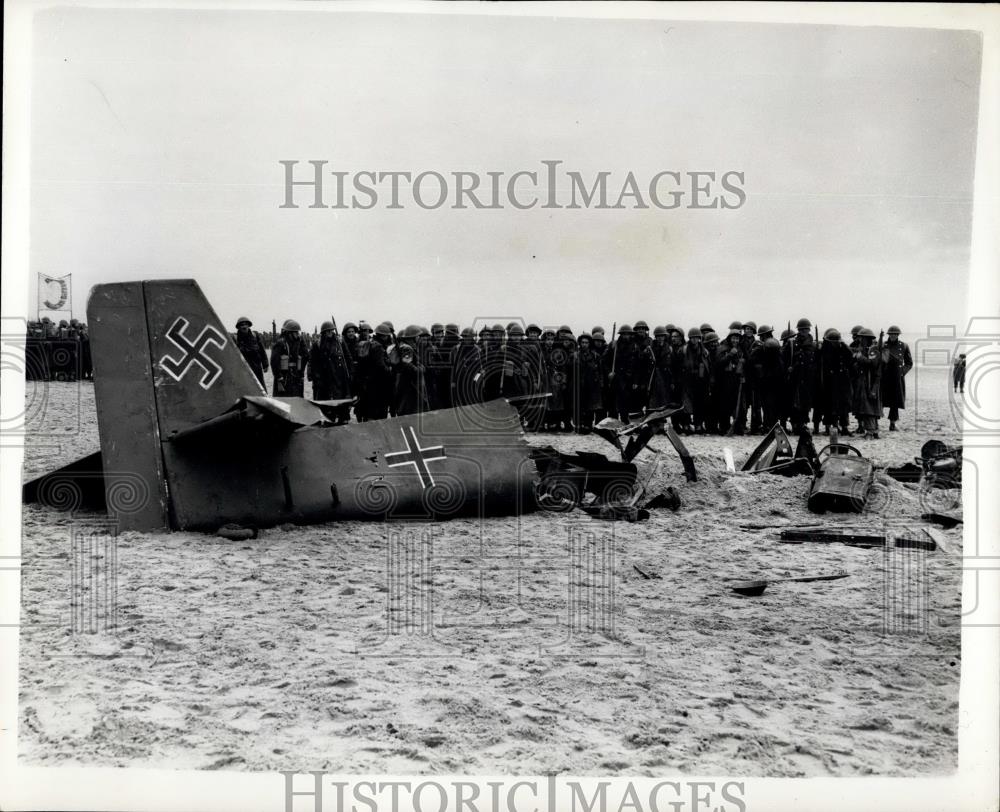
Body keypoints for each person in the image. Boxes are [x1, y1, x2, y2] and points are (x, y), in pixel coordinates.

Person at [308, 321, 354, 422]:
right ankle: (329, 419)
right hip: (325, 378)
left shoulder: (340, 342)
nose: (329, 332)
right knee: (327, 402)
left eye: (331, 330)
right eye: (327, 331)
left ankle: (343, 419)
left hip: (340, 377)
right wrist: (314, 375)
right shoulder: (318, 344)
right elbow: (312, 360)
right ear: (323, 332)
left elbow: (348, 357)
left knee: (342, 400)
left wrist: (350, 372)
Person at [782, 317, 818, 433]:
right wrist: (788, 368)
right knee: (793, 403)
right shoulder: (792, 343)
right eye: (801, 329)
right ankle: (795, 424)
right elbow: (784, 359)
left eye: (806, 329)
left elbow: (817, 361)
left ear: (809, 330)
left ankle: (803, 423)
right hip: (794, 378)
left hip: (808, 378)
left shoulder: (813, 345)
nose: (803, 331)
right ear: (798, 330)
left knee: (805, 403)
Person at [816, 328, 854, 435]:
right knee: (830, 405)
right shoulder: (825, 350)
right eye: (833, 342)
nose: (835, 344)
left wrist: (843, 345)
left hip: (843, 381)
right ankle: (832, 427)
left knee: (844, 406)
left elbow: (850, 356)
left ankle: (845, 427)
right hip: (830, 382)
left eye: (836, 341)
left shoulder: (843, 348)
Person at [879, 325, 913, 431]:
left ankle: (892, 423)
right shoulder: (883, 345)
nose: (893, 336)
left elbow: (909, 362)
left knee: (895, 401)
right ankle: (874, 423)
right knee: (880, 399)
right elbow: (878, 358)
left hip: (897, 377)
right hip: (884, 376)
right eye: (891, 334)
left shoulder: (904, 346)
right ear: (888, 335)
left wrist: (902, 372)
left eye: (895, 334)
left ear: (898, 335)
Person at [852, 327, 882, 439]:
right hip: (864, 382)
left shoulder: (873, 350)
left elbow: (872, 364)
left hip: (871, 383)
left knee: (870, 408)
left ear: (867, 339)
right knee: (867, 407)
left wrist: (860, 358)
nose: (860, 340)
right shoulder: (864, 350)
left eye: (862, 338)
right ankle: (873, 430)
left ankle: (870, 431)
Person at [679, 328, 712, 433]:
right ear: (689, 338)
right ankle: (686, 424)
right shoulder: (684, 350)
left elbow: (709, 366)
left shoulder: (704, 351)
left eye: (696, 338)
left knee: (699, 404)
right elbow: (678, 366)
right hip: (687, 381)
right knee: (686, 404)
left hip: (700, 381)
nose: (694, 340)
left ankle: (698, 424)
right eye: (692, 338)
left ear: (699, 338)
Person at [572, 332, 604, 433]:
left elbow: (600, 370)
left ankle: (588, 425)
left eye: (586, 342)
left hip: (592, 385)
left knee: (590, 407)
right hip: (578, 384)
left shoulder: (595, 356)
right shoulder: (575, 355)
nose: (584, 344)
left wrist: (601, 382)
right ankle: (579, 424)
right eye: (582, 342)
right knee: (579, 405)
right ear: (580, 343)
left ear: (589, 343)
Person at [393, 325, 429, 416]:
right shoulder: (407, 348)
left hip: (410, 386)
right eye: (417, 336)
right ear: (413, 337)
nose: (418, 338)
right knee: (411, 411)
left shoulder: (408, 347)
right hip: (411, 387)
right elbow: (408, 365)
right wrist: (420, 369)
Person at [270, 319, 308, 396]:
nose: (298, 334)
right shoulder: (281, 343)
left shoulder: (299, 342)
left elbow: (306, 356)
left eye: (298, 332)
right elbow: (274, 360)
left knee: (296, 397)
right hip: (284, 376)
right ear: (289, 333)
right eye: (295, 332)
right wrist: (278, 376)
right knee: (283, 398)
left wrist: (301, 373)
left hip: (296, 374)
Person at [451, 326, 484, 406]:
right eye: (464, 337)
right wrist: (453, 381)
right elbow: (453, 367)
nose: (466, 339)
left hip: (471, 382)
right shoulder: (457, 349)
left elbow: (480, 368)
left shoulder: (477, 350)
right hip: (459, 380)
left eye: (468, 337)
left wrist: (477, 379)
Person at [235, 316, 268, 388]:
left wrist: (265, 364)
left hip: (257, 368)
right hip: (243, 369)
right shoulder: (235, 339)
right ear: (239, 327)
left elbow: (262, 351)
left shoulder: (255, 336)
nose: (244, 326)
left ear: (248, 325)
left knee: (260, 387)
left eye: (245, 324)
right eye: (242, 325)